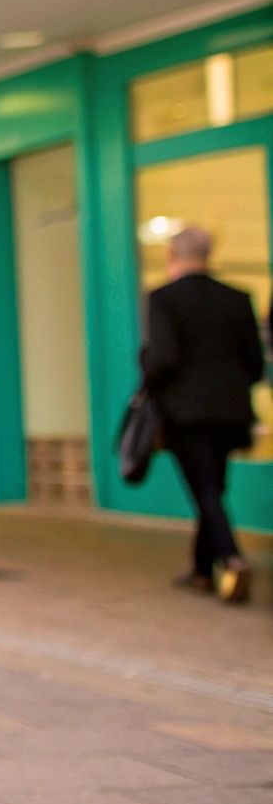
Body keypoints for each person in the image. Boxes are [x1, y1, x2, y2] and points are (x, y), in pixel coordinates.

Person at [142, 226, 260, 604]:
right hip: (231, 410)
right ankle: (200, 570)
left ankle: (231, 557)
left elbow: (162, 358)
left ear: (171, 256)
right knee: (213, 487)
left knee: (205, 489)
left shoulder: (163, 299)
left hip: (186, 413)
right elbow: (255, 364)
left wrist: (150, 384)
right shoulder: (238, 299)